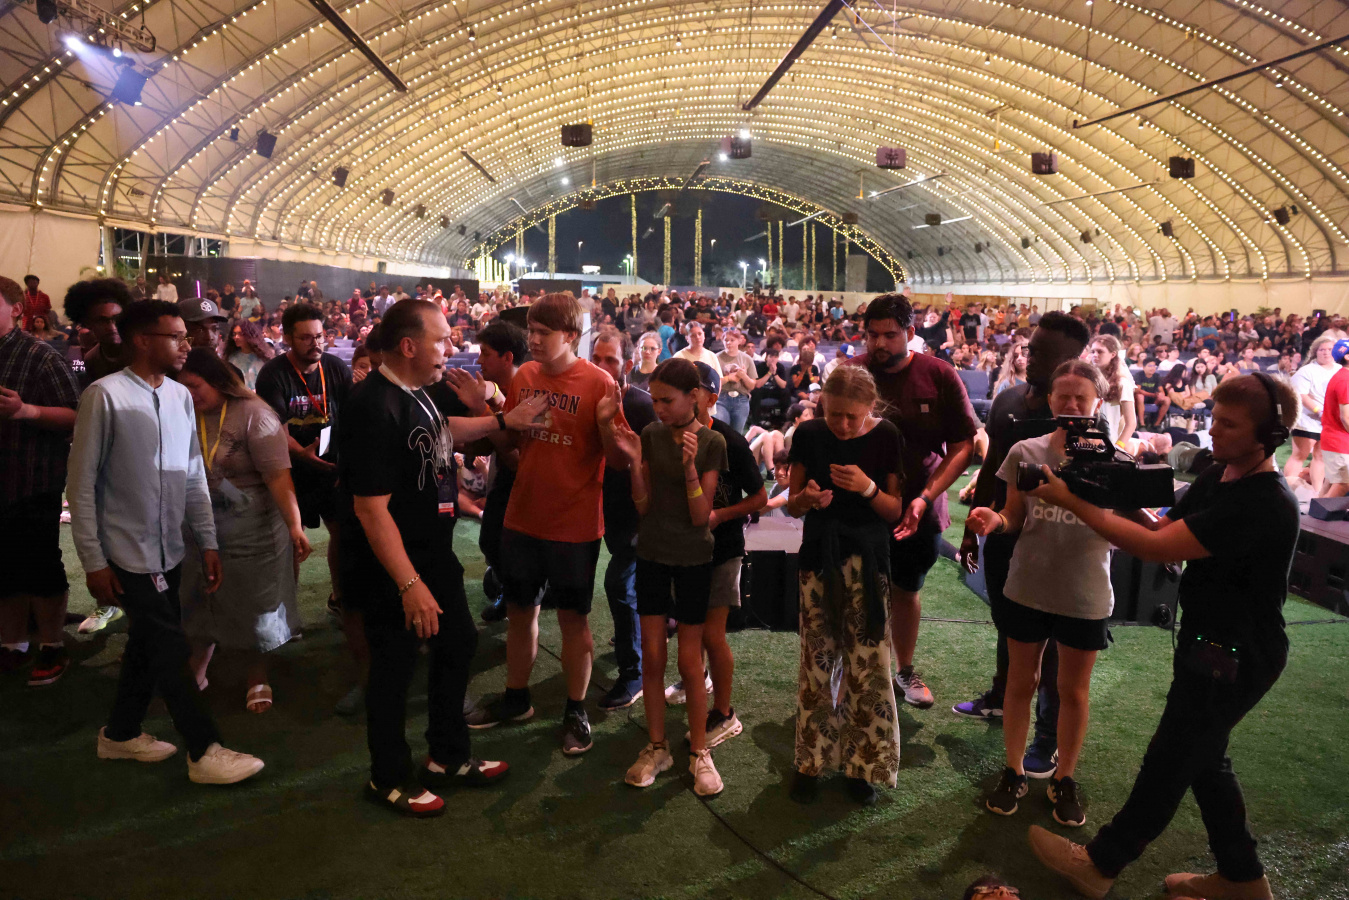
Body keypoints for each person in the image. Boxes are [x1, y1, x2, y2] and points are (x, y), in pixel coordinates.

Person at [1027, 374, 1300, 900]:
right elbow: (1158, 528)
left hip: (1237, 653)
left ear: (1268, 435)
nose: (1213, 430)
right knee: (1204, 760)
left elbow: (1157, 550)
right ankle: (1242, 879)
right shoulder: (1219, 475)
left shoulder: (1262, 501)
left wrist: (1074, 501)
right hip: (1211, 643)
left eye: (1229, 424)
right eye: (1214, 417)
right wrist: (1105, 491)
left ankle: (1101, 863)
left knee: (1171, 760)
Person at [339, 299, 546, 817]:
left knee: (458, 642)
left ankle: (447, 756)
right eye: (441, 339)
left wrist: (505, 418)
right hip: (393, 565)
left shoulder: (417, 392)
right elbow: (370, 510)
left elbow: (442, 429)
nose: (451, 348)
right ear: (409, 346)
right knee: (394, 667)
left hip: (433, 551)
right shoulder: (370, 406)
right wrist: (410, 585)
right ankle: (386, 777)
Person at [67, 300, 264, 784]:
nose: (187, 344)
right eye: (175, 336)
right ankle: (204, 747)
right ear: (141, 340)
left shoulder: (178, 396)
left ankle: (120, 733)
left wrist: (207, 540)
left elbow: (193, 473)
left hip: (170, 548)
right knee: (171, 646)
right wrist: (93, 560)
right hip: (125, 551)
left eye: (185, 336)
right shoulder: (104, 395)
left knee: (147, 642)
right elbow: (82, 483)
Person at [466, 293, 627, 757]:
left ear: (570, 336)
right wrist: (486, 413)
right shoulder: (526, 377)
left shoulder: (598, 383)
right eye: (531, 331)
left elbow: (618, 462)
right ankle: (517, 698)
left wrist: (606, 425)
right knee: (521, 612)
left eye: (543, 332)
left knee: (574, 621)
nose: (533, 340)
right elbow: (512, 447)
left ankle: (575, 709)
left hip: (575, 525)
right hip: (523, 518)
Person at [966, 361, 1117, 828]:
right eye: (1063, 396)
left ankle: (1064, 777)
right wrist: (995, 521)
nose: (1071, 405)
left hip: (1085, 593)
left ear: (1097, 402)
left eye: (1080, 397)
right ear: (1050, 399)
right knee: (1020, 682)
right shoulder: (1025, 452)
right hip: (1028, 585)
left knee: (1072, 690)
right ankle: (1013, 770)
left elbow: (1121, 525)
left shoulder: (1113, 459)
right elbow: (1014, 515)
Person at [954, 312, 1092, 783]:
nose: (1029, 357)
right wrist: (973, 530)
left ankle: (1047, 739)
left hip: (1054, 545)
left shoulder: (1081, 422)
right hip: (1004, 533)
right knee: (1010, 624)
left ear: (1072, 359)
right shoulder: (1008, 399)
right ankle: (1000, 696)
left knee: (1052, 650)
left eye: (1043, 352)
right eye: (1031, 348)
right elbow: (992, 465)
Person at [852, 293, 978, 710]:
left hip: (919, 506)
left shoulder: (938, 374)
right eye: (872, 335)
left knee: (906, 589)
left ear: (910, 332)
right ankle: (855, 671)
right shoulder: (853, 373)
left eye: (889, 335)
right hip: (859, 504)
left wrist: (926, 496)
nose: (879, 344)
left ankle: (904, 670)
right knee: (857, 590)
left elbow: (963, 446)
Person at [607, 358, 727, 796]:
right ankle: (657, 747)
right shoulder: (652, 435)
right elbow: (643, 506)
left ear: (693, 397)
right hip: (653, 554)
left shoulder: (711, 441)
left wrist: (690, 467)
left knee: (690, 662)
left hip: (693, 558)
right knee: (654, 656)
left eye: (666, 400)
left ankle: (699, 751)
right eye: (654, 399)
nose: (657, 408)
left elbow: (699, 516)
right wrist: (636, 463)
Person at [785, 366, 905, 805]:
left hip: (868, 564)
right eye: (834, 413)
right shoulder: (809, 434)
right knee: (816, 665)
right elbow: (792, 505)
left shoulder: (886, 435)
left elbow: (894, 511)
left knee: (868, 667)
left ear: (870, 407)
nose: (843, 424)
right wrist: (806, 499)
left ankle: (863, 766)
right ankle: (810, 763)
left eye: (853, 416)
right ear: (822, 404)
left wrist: (868, 488)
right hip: (819, 560)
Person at [174, 349, 310, 713]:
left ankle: (256, 674)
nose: (189, 394)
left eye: (195, 385)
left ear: (218, 381)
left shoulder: (255, 414)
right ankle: (198, 666)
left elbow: (278, 477)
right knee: (199, 594)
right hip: (198, 525)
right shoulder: (181, 411)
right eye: (183, 386)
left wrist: (294, 525)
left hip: (254, 527)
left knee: (254, 602)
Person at [254, 303, 357, 709]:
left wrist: (340, 459)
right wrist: (303, 455)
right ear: (287, 338)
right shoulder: (273, 374)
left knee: (342, 534)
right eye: (305, 337)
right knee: (290, 544)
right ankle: (289, 614)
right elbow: (275, 428)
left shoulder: (336, 367)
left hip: (330, 466)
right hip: (290, 469)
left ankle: (339, 598)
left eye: (319, 336)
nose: (315, 344)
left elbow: (350, 415)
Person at [0, 277, 81, 685]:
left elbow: (75, 416)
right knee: (4, 568)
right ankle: (12, 643)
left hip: (32, 479)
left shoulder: (40, 355)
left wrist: (25, 410)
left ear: (16, 309)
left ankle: (52, 644)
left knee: (40, 565)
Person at [686, 361, 766, 742]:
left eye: (694, 388)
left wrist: (720, 515)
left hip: (723, 548)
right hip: (685, 547)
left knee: (712, 633)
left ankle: (723, 712)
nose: (686, 395)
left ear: (711, 397)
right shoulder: (670, 434)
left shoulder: (731, 441)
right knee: (692, 628)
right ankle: (696, 680)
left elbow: (760, 497)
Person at [589, 331, 658, 711]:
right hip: (605, 512)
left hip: (639, 515)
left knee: (618, 583)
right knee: (627, 584)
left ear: (628, 365)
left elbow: (657, 465)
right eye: (596, 358)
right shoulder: (588, 399)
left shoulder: (642, 405)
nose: (602, 367)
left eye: (611, 360)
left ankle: (634, 674)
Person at [1284, 334, 1337, 493]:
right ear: (1315, 352)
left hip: (1329, 422)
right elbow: (1301, 394)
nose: (1326, 353)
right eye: (1322, 350)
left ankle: (1317, 493)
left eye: (1330, 349)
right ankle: (1287, 491)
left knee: (1320, 457)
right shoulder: (1307, 371)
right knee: (1299, 456)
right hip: (1307, 421)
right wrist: (1318, 411)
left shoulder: (1339, 370)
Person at [63, 278, 132, 389]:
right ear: (88, 323)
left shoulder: (142, 352)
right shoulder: (92, 360)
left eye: (117, 319)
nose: (112, 327)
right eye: (102, 321)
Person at [1088, 335, 1136, 446]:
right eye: (1093, 351)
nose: (1095, 355)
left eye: (1100, 351)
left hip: (1108, 443)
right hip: (1085, 442)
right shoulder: (1087, 381)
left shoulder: (1122, 383)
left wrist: (1118, 446)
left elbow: (1131, 423)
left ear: (1113, 354)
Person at [1316, 339, 1349, 498]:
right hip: (1339, 440)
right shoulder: (1345, 379)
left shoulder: (1342, 376)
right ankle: (1321, 514)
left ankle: (1315, 512)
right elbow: (1346, 417)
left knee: (1330, 482)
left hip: (1334, 438)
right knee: (1343, 483)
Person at [715, 328, 756, 432]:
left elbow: (752, 385)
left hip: (741, 400)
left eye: (732, 340)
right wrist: (728, 378)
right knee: (722, 431)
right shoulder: (716, 358)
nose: (729, 343)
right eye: (726, 340)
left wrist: (743, 376)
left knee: (736, 435)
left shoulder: (747, 359)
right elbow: (713, 383)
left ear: (739, 341)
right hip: (721, 398)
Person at [227, 320, 275, 390]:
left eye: (240, 334)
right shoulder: (232, 359)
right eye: (234, 334)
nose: (236, 337)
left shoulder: (262, 357)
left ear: (249, 335)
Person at [1133, 358, 1170, 429]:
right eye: (1150, 366)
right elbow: (1138, 390)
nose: (1152, 368)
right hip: (1142, 398)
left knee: (1167, 399)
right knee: (1140, 396)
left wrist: (1161, 394)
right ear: (1144, 367)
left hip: (1153, 398)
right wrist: (1152, 395)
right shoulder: (1139, 375)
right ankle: (1142, 424)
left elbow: (1160, 389)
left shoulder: (1157, 376)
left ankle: (1156, 424)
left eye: (1154, 366)